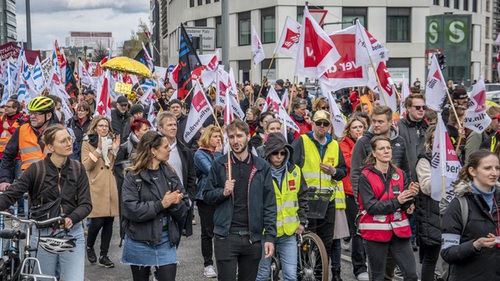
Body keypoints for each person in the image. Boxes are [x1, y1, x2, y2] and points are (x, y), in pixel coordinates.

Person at [0, 124, 92, 281]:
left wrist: (72, 218)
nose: (69, 143)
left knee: (74, 278)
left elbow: (86, 204)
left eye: (69, 139)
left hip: (72, 233)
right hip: (42, 232)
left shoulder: (78, 169)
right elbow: (11, 194)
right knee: (42, 278)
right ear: (50, 146)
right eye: (63, 141)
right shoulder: (36, 170)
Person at [203, 120, 276, 281]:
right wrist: (222, 192)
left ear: (248, 137)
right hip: (226, 236)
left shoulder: (261, 166)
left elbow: (270, 204)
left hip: (253, 237)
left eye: (239, 136)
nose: (236, 141)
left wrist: (270, 237)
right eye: (231, 137)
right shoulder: (220, 164)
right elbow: (206, 196)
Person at [350, 105, 411, 280]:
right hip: (373, 205)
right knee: (377, 268)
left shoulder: (399, 141)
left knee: (400, 268)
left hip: (397, 209)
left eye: (380, 121)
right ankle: (362, 268)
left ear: (390, 122)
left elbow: (406, 169)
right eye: (374, 121)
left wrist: (408, 200)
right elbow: (355, 173)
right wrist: (360, 200)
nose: (375, 125)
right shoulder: (364, 142)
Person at [121, 131, 189, 281]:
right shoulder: (133, 176)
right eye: (165, 146)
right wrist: (162, 204)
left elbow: (184, 206)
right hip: (139, 239)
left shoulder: (170, 174)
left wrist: (175, 203)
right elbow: (131, 209)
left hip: (165, 239)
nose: (170, 149)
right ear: (153, 150)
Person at [292, 110, 348, 279]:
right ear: (313, 124)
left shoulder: (335, 145)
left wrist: (334, 171)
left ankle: (320, 273)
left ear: (330, 126)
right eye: (318, 123)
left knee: (326, 242)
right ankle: (301, 272)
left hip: (327, 199)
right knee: (305, 241)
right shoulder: (302, 141)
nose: (322, 127)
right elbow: (291, 166)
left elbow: (343, 171)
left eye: (325, 124)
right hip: (307, 199)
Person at [358, 136, 419, 281]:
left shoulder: (400, 174)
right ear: (374, 153)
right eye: (381, 148)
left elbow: (404, 205)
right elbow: (372, 207)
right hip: (375, 233)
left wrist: (411, 196)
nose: (386, 151)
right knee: (378, 277)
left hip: (399, 231)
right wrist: (397, 201)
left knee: (411, 275)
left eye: (388, 148)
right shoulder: (365, 176)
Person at [256, 132, 308, 281]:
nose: (279, 156)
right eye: (275, 153)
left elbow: (303, 197)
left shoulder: (295, 171)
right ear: (268, 154)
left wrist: (302, 221)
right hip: (265, 232)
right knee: (262, 274)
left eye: (283, 153)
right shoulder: (259, 173)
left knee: (291, 276)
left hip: (288, 232)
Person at [441, 150, 500, 280]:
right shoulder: (459, 205)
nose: (494, 173)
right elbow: (447, 253)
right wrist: (475, 245)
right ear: (472, 171)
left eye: (497, 168)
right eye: (487, 168)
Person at [81, 116, 120, 268]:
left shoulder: (111, 142)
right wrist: (97, 150)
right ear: (95, 127)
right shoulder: (87, 142)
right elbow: (86, 165)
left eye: (106, 126)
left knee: (109, 221)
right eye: (101, 125)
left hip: (110, 184)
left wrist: (115, 149)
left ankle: (104, 254)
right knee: (97, 221)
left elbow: (112, 164)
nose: (104, 128)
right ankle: (89, 246)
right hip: (96, 185)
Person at [0, 96, 57, 190]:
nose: (32, 116)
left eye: (37, 114)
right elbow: (8, 156)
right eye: (31, 113)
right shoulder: (22, 130)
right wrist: (5, 180)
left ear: (49, 115)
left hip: (54, 184)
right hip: (30, 183)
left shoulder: (59, 131)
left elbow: (69, 159)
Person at [338, 116, 368, 279]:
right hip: (350, 192)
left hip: (369, 192)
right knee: (358, 229)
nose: (358, 130)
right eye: (355, 127)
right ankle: (359, 267)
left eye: (361, 127)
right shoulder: (344, 145)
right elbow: (353, 164)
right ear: (349, 129)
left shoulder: (369, 142)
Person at [194, 125, 224, 278]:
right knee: (207, 232)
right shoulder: (200, 154)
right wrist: (218, 154)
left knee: (223, 231)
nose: (218, 139)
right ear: (207, 138)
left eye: (219, 136)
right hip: (205, 197)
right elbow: (214, 171)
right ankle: (208, 264)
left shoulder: (223, 152)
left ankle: (224, 262)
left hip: (222, 195)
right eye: (215, 137)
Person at [415, 125, 442, 281]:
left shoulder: (452, 158)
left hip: (447, 212)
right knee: (430, 257)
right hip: (430, 213)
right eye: (435, 139)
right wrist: (441, 174)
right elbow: (426, 187)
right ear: (430, 141)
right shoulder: (424, 160)